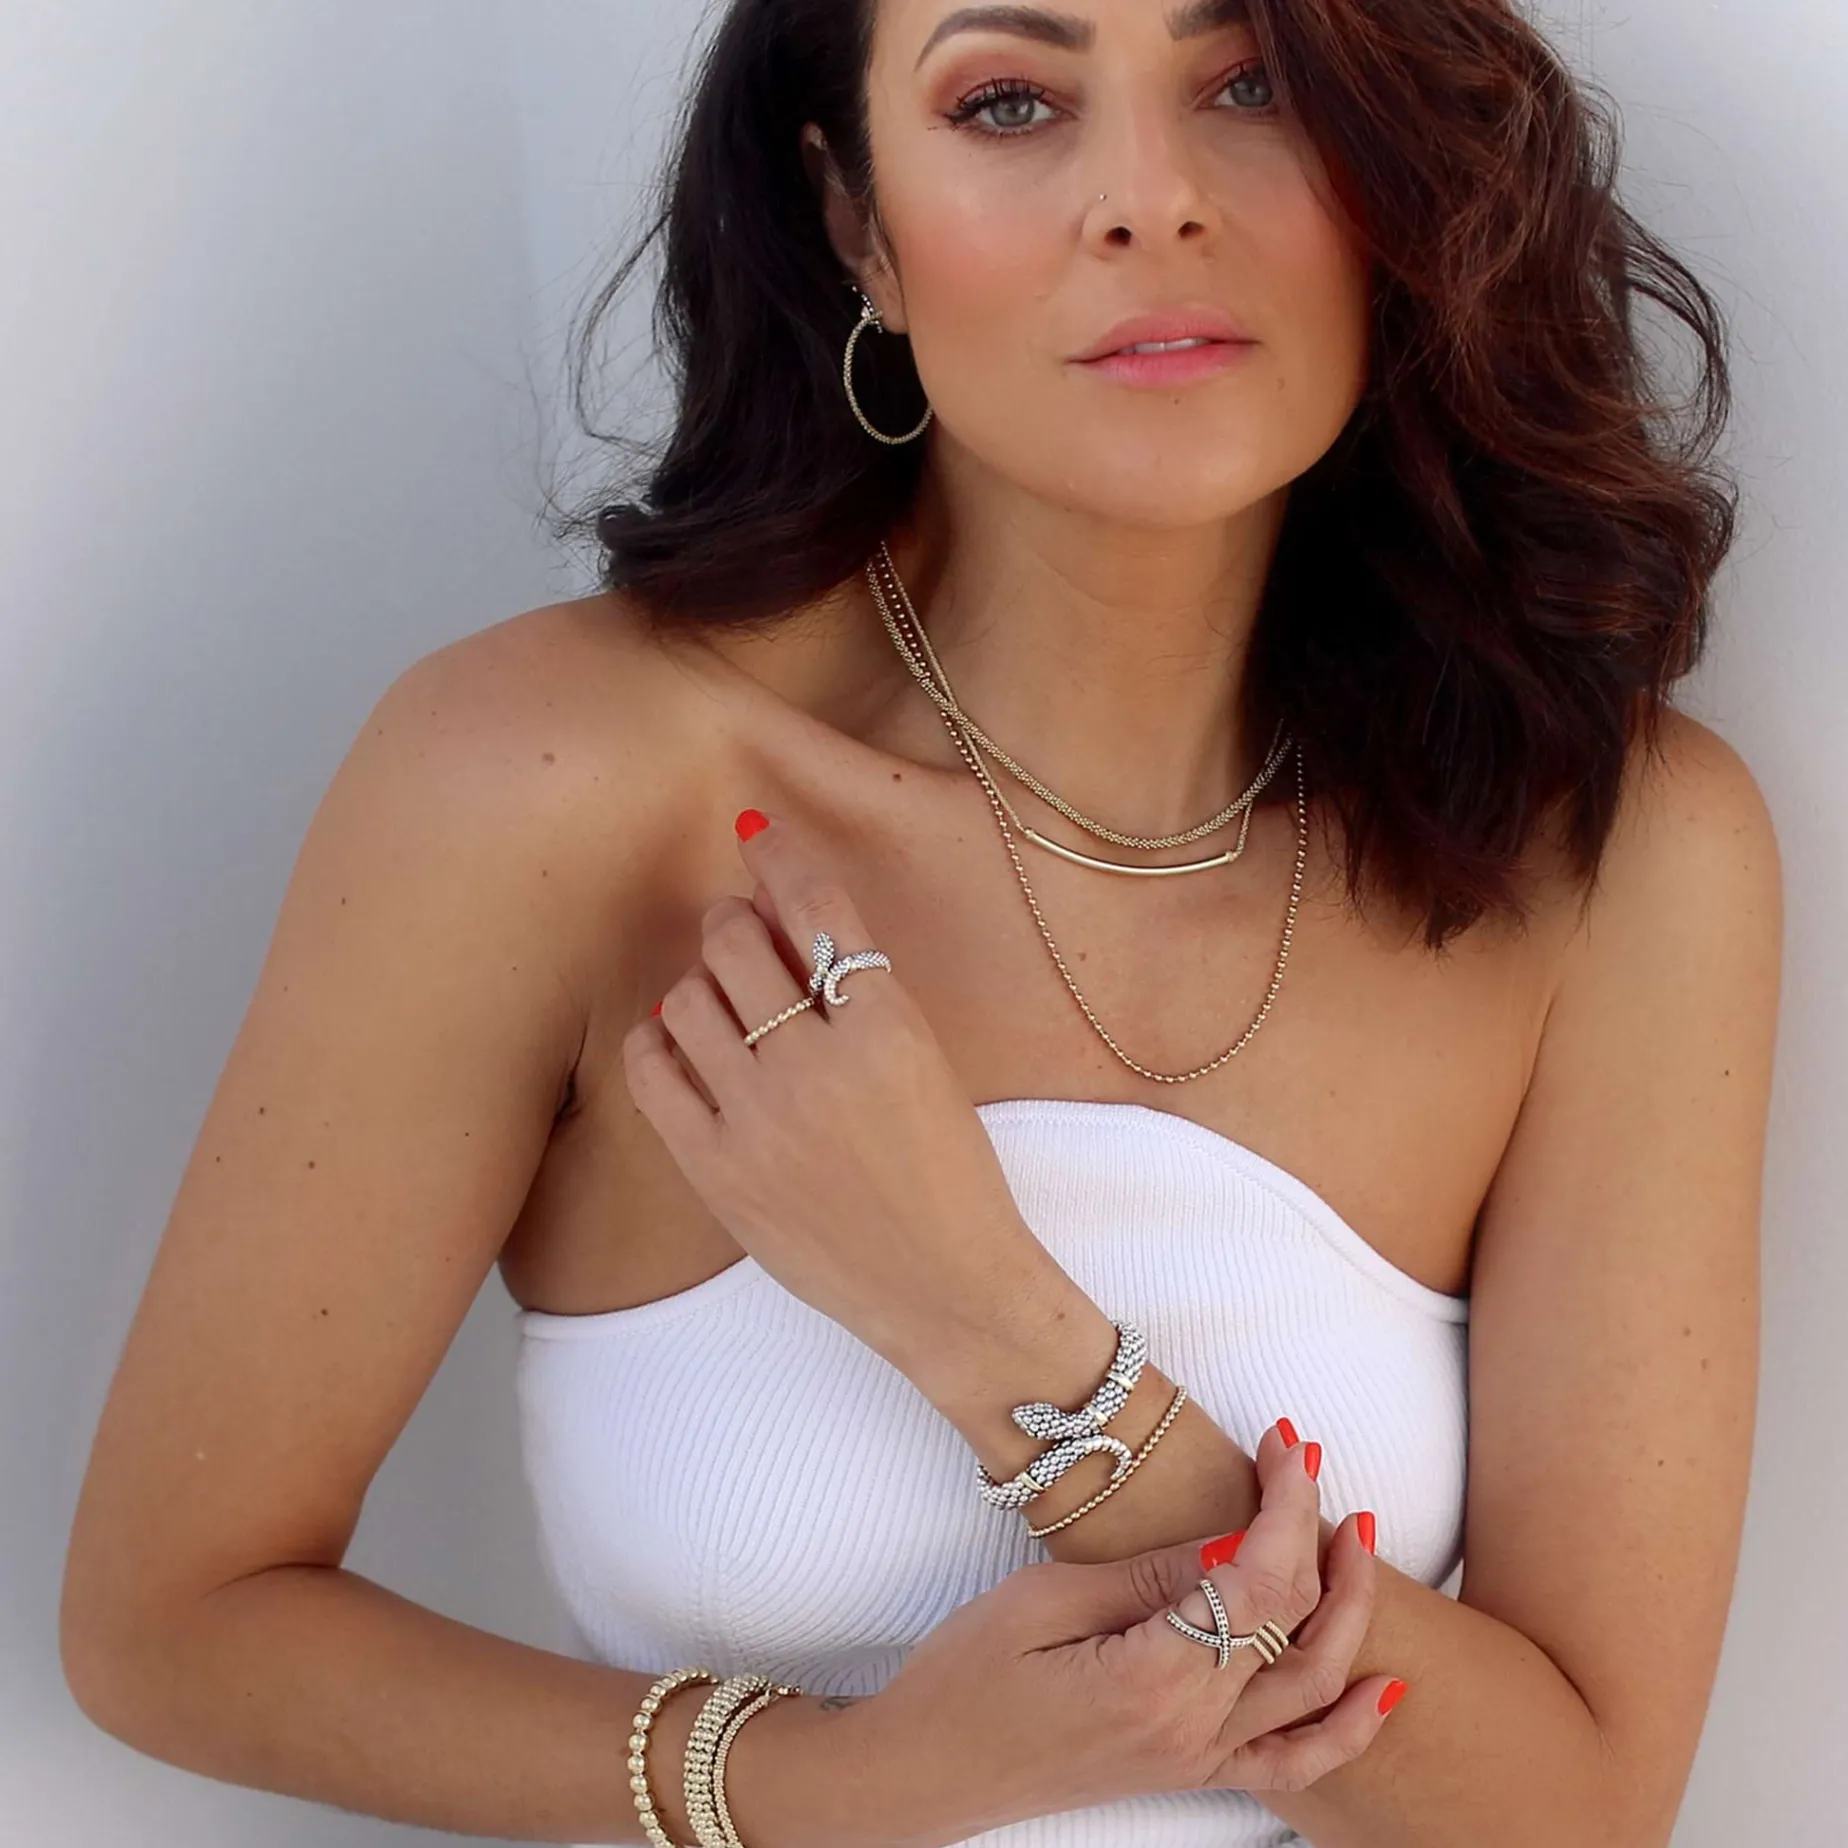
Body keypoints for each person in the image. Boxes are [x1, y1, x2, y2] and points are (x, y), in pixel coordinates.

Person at [60, 0, 1782, 1842]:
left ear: (1401, 168)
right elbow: (174, 1627)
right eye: (1012, 101)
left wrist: (1002, 1339)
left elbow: (1580, 1815)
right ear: (858, 225)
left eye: (1251, 82)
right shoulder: (552, 786)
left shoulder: (1612, 854)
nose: (1149, 198)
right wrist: (845, 1784)